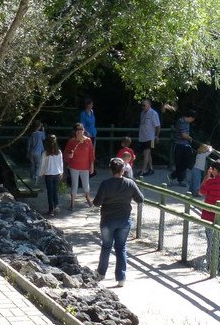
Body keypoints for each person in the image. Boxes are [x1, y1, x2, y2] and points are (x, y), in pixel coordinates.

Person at [93, 157, 144, 286]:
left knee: (106, 247)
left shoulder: (105, 184)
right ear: (123, 170)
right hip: (124, 220)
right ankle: (121, 278)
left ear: (110, 170)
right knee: (121, 248)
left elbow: (97, 202)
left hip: (107, 220)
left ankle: (101, 273)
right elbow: (140, 199)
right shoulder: (130, 183)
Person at [63, 123, 95, 210]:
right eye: (77, 130)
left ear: (83, 130)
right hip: (74, 166)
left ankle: (88, 199)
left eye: (81, 130)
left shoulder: (88, 140)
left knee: (86, 184)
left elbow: (91, 154)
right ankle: (72, 203)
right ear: (74, 131)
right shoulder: (71, 141)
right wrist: (69, 156)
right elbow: (66, 153)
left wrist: (92, 165)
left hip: (85, 166)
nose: (79, 132)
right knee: (74, 184)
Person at [39, 135, 63, 216]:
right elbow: (61, 163)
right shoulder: (59, 152)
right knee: (55, 190)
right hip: (57, 173)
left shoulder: (45, 153)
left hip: (48, 174)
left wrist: (41, 173)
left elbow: (42, 164)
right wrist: (61, 172)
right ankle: (56, 205)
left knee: (50, 192)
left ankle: (51, 210)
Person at [170, 111, 196, 187]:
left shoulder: (187, 123)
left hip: (186, 145)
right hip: (179, 144)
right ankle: (179, 180)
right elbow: (184, 135)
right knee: (179, 163)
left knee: (187, 162)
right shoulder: (181, 121)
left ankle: (172, 176)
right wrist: (190, 137)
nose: (192, 121)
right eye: (193, 119)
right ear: (191, 117)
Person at [136, 99, 160, 177]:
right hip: (143, 137)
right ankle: (151, 169)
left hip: (151, 138)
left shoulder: (154, 113)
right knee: (147, 154)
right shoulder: (142, 113)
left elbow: (158, 126)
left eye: (144, 105)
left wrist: (157, 136)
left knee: (147, 153)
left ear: (149, 105)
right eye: (142, 105)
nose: (143, 107)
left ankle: (143, 170)